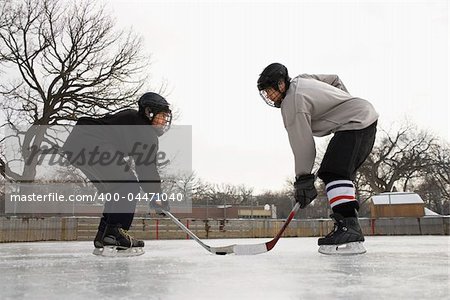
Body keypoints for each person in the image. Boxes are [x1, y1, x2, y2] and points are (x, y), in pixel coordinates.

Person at [257, 63, 378, 254]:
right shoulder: (302, 79)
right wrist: (343, 104)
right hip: (363, 117)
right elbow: (335, 79)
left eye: (271, 90)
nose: (270, 96)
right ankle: (348, 227)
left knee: (333, 171)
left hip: (356, 123)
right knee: (339, 173)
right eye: (266, 93)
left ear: (281, 84)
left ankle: (349, 229)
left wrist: (303, 180)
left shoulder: (292, 103)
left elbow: (303, 146)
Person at [62, 92, 172, 256]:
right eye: (161, 116)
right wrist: (157, 197)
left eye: (165, 118)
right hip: (92, 143)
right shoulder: (144, 130)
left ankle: (104, 235)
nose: (163, 122)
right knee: (128, 186)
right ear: (149, 112)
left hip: (76, 145)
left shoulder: (132, 119)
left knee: (115, 190)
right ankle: (115, 234)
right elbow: (146, 169)